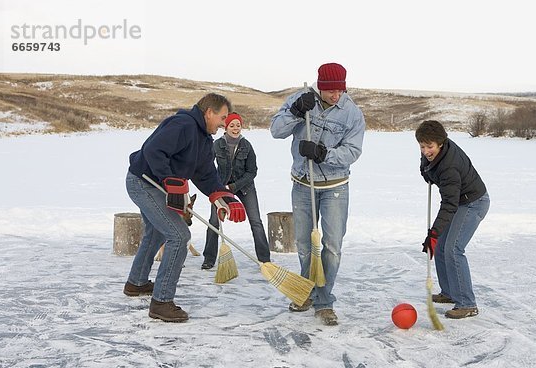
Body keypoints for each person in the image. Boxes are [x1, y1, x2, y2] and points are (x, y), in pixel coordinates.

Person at [124, 93, 247, 323]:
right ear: (209, 112)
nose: (223, 124)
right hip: (143, 182)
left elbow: (206, 174)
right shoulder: (182, 125)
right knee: (179, 236)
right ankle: (161, 302)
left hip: (155, 185)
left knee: (158, 232)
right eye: (222, 118)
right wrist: (170, 179)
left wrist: (222, 195)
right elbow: (153, 150)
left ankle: (136, 283)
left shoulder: (203, 139)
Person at [270, 62, 365, 326]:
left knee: (331, 247)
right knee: (304, 245)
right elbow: (276, 131)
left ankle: (324, 302)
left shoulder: (351, 113)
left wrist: (324, 154)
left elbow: (353, 151)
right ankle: (305, 293)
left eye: (340, 91)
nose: (336, 96)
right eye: (330, 91)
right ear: (320, 86)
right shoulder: (300, 100)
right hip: (302, 184)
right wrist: (297, 113)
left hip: (335, 186)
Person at [416, 120, 490, 319]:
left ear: (441, 143)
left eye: (429, 147)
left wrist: (434, 232)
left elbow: (449, 204)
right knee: (440, 247)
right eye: (422, 146)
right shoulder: (436, 151)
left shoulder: (450, 166)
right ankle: (449, 292)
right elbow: (428, 165)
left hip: (473, 203)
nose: (425, 151)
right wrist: (427, 170)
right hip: (459, 201)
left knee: (453, 249)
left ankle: (467, 303)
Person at [202, 112, 271, 269]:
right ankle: (209, 259)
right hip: (221, 187)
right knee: (214, 222)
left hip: (245, 187)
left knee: (256, 221)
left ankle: (265, 260)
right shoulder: (217, 145)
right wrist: (216, 185)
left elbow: (252, 172)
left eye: (238, 125)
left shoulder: (247, 146)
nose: (235, 128)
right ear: (226, 127)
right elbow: (208, 165)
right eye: (232, 125)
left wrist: (233, 187)